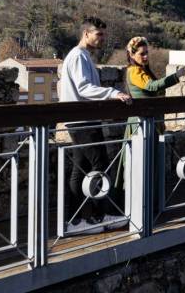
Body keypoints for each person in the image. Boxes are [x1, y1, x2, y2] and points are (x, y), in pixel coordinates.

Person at [59, 17, 131, 231]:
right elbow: (84, 88)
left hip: (82, 120)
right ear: (86, 34)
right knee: (99, 165)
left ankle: (75, 221)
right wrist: (113, 93)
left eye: (103, 34)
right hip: (83, 121)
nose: (102, 38)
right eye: (98, 34)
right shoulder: (78, 56)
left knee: (81, 170)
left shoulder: (82, 56)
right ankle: (96, 217)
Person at [115, 36, 185, 187]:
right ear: (132, 55)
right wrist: (176, 76)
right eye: (142, 54)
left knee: (149, 162)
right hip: (140, 125)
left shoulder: (142, 70)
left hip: (149, 123)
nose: (146, 56)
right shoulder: (134, 71)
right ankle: (137, 203)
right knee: (139, 162)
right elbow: (152, 86)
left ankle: (149, 202)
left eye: (147, 53)